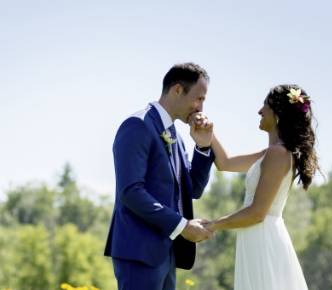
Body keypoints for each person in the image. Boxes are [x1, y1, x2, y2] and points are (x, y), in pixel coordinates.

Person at [104, 63, 215, 290]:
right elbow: (131, 191)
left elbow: (192, 189)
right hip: (139, 253)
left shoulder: (176, 135)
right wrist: (182, 226)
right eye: (198, 98)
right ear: (176, 90)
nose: (201, 107)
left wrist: (203, 147)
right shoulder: (137, 125)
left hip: (167, 253)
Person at [205, 84, 318, 290]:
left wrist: (212, 225)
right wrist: (208, 133)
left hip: (263, 238)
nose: (259, 111)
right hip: (256, 236)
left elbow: (257, 213)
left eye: (265, 105)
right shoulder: (271, 153)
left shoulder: (278, 154)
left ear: (278, 115)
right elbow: (225, 163)